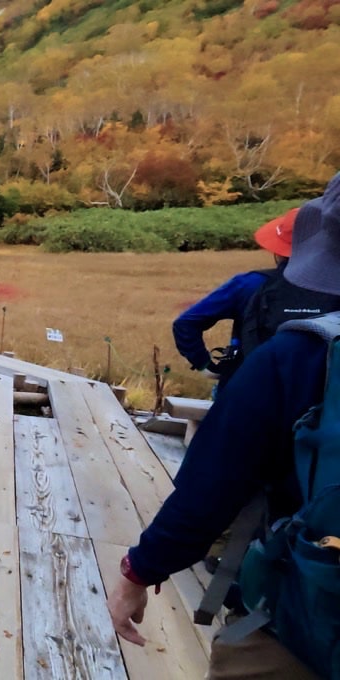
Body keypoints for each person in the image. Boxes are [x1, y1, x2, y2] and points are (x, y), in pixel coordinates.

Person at [107, 172, 340, 678]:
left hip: (306, 610)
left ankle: (219, 558)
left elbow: (209, 486)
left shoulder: (290, 342)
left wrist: (140, 569)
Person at [171, 209, 296, 388]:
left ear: (278, 249)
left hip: (246, 388)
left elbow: (186, 323)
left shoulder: (249, 283)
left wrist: (205, 365)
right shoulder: (333, 288)